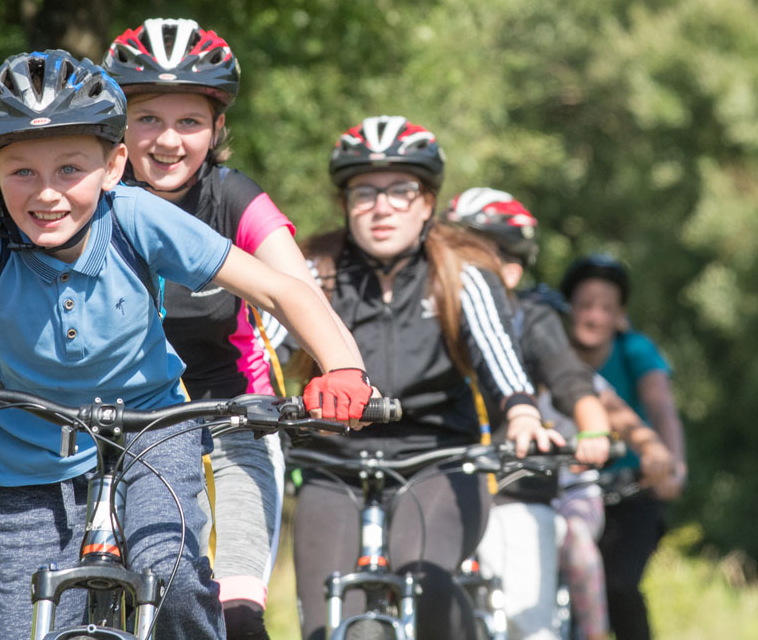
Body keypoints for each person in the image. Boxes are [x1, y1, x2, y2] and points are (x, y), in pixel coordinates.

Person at [0, 50, 373, 640]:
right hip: (22, 456)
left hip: (153, 431)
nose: (47, 195)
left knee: (177, 580)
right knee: (23, 624)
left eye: (70, 170)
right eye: (22, 172)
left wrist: (343, 369)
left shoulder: (137, 218)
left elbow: (283, 291)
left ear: (113, 166)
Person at [101, 18, 363, 639]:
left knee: (235, 613)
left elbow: (298, 292)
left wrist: (341, 370)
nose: (168, 140)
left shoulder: (233, 197)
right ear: (117, 128)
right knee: (97, 592)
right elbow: (11, 296)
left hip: (233, 422)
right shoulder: (86, 199)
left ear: (218, 129)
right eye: (147, 119)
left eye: (189, 122)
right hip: (116, 424)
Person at [283, 116, 562, 640]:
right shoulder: (310, 271)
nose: (382, 206)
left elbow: (499, 357)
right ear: (345, 204)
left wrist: (522, 412)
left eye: (400, 191)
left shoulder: (462, 274)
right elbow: (266, 359)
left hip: (438, 463)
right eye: (364, 191)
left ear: (428, 203)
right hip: (330, 463)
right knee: (323, 623)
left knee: (424, 582)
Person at [443, 188, 611, 640]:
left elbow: (572, 382)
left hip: (515, 488)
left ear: (512, 268)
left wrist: (594, 429)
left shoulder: (533, 319)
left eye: (475, 251)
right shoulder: (423, 313)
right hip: (432, 480)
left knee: (526, 621)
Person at [559, 254, 687, 640]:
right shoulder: (548, 354)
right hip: (561, 490)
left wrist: (673, 465)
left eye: (606, 308)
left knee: (618, 585)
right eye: (584, 305)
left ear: (620, 315)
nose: (594, 316)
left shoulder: (635, 351)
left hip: (629, 489)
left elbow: (661, 409)